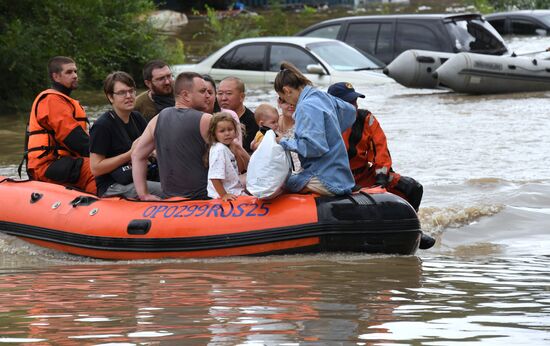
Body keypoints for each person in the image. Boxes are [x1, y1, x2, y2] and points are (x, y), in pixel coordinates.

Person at [132, 72, 249, 201]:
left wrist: (143, 194)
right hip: (203, 199)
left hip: (170, 199)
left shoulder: (157, 119)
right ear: (185, 95)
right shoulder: (207, 120)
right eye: (202, 91)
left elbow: (137, 155)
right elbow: (237, 165)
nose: (208, 95)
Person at [327, 82, 423, 211]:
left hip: (364, 175)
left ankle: (412, 224)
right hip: (337, 180)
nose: (354, 107)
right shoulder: (324, 123)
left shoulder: (365, 119)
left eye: (355, 102)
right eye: (350, 103)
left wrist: (381, 180)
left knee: (413, 188)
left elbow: (380, 149)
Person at [274, 62, 356, 196]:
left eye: (284, 98)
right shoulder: (321, 96)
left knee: (279, 183)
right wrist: (331, 131)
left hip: (324, 179)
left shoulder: (305, 106)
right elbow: (350, 111)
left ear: (287, 90)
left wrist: (284, 141)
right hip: (341, 176)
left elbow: (314, 148)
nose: (288, 103)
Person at [22, 56, 96, 194]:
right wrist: (105, 156)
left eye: (75, 71)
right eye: (69, 72)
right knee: (98, 169)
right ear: (55, 76)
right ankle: (102, 205)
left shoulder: (66, 101)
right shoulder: (51, 100)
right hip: (47, 165)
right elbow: (75, 139)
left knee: (106, 165)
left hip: (65, 161)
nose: (75, 76)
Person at [89, 71, 163, 198]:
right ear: (110, 97)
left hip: (139, 176)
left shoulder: (137, 117)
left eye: (131, 91)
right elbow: (96, 168)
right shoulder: (102, 126)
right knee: (165, 190)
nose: (129, 96)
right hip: (113, 185)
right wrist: (130, 154)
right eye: (122, 93)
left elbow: (153, 147)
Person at [206, 112, 246, 201]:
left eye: (230, 129)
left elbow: (241, 169)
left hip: (234, 190)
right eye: (222, 131)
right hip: (225, 194)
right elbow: (214, 177)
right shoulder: (219, 149)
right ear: (214, 133)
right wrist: (224, 195)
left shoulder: (227, 147)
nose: (227, 133)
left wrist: (236, 152)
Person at [217, 76, 259, 153]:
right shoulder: (214, 118)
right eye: (220, 93)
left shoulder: (253, 122)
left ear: (241, 97)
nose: (223, 98)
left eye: (229, 93)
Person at [203, 74, 243, 146]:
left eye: (210, 92)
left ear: (215, 95)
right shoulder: (190, 117)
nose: (207, 96)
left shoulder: (230, 115)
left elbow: (237, 146)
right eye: (202, 92)